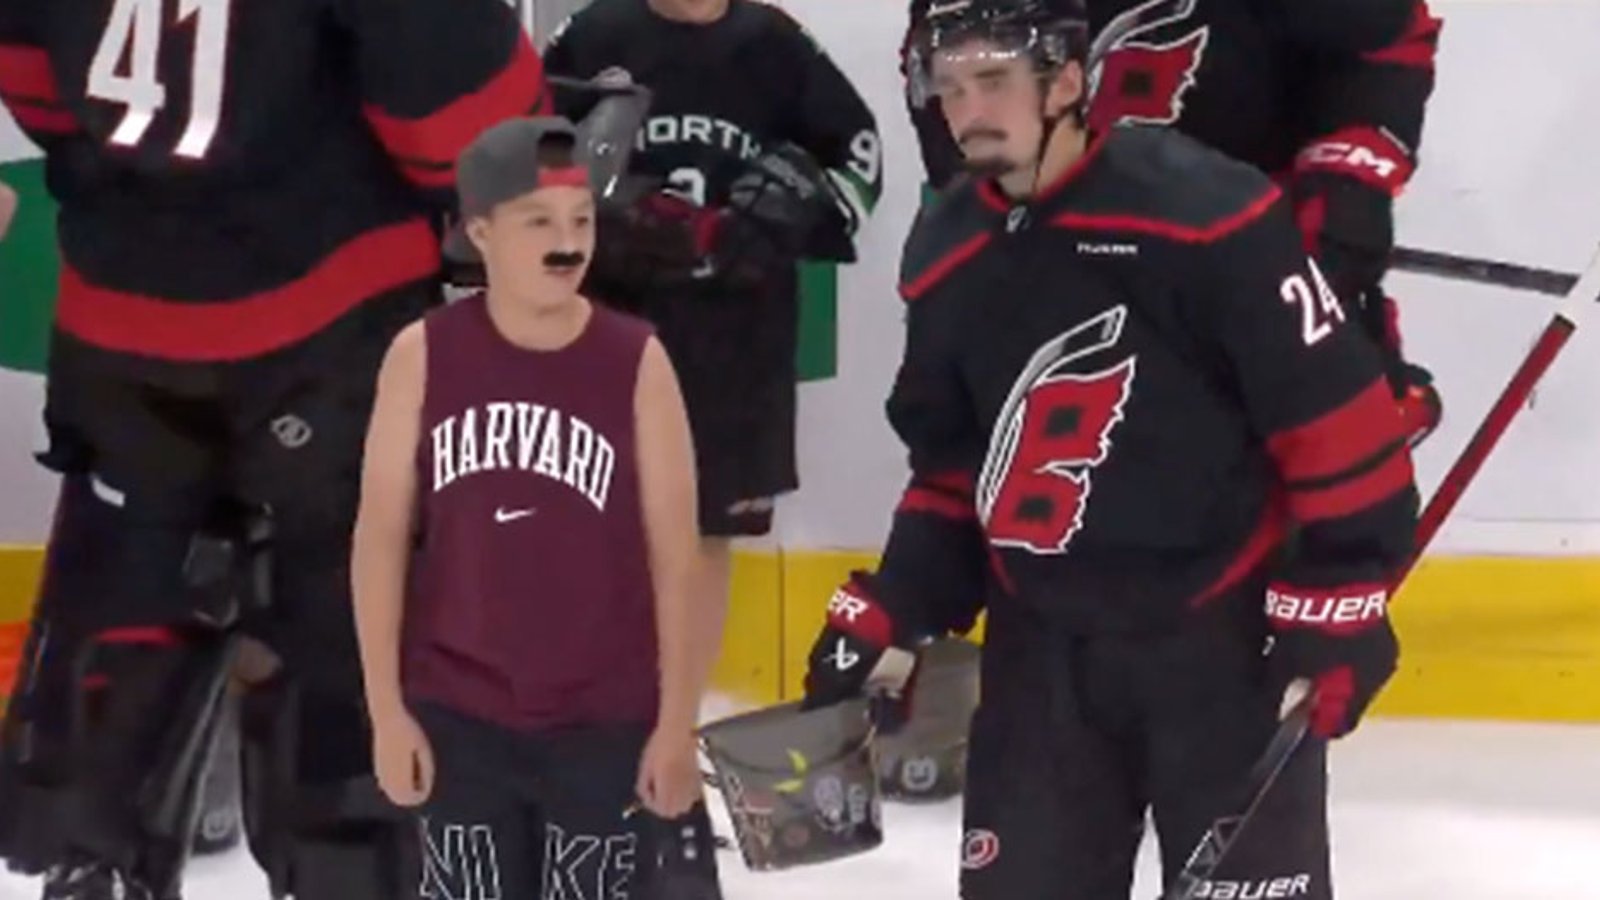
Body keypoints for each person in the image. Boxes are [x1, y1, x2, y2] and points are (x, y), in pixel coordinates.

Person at [802, 1, 1419, 898]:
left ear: (1066, 82)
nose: (968, 111)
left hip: (1220, 644)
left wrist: (1343, 597)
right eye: (952, 87)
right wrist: (895, 603)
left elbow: (1338, 419)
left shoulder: (1212, 216)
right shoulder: (945, 249)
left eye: (995, 83)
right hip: (1044, 655)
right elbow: (954, 468)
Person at [0, 2, 549, 898]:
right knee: (342, 643)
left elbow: (32, 80)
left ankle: (90, 853)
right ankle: (347, 867)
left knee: (125, 605)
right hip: (323, 333)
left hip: (119, 325)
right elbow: (467, 135)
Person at [352, 115, 723, 900]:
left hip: (606, 720)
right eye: (538, 223)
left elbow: (675, 557)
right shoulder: (422, 356)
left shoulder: (637, 360)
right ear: (479, 232)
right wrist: (386, 711)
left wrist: (675, 725)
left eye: (581, 220)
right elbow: (380, 539)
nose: (567, 243)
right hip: (456, 714)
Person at [903, 0, 1445, 449]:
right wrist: (993, 202)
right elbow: (941, 77)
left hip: (1246, 276)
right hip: (1060, 299)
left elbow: (1380, 43)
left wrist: (1351, 181)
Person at [539, 0, 883, 624]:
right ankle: (599, 708)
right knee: (590, 526)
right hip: (607, 335)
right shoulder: (594, 34)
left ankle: (679, 718)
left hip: (739, 347)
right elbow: (522, 149)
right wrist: (596, 222)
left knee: (705, 538)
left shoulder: (777, 43)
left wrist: (784, 213)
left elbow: (859, 159)